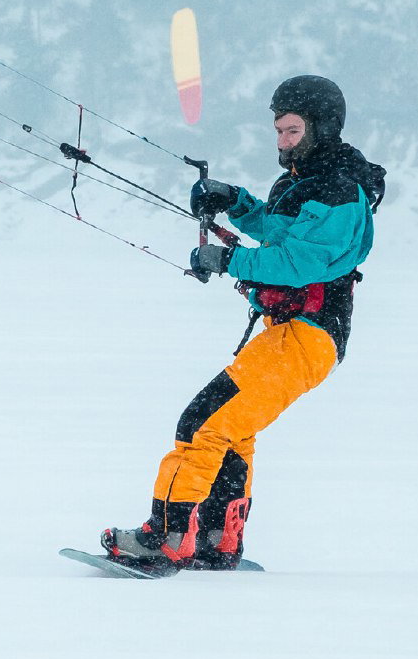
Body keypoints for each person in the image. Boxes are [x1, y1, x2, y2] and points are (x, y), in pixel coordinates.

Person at [101, 74, 386, 571]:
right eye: (277, 131)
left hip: (308, 336)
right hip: (293, 335)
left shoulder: (340, 190)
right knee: (233, 429)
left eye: (292, 131)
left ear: (322, 127)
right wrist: (234, 201)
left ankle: (166, 538)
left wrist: (227, 261)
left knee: (202, 422)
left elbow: (301, 261)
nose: (282, 141)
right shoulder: (307, 179)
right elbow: (278, 229)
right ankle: (217, 538)